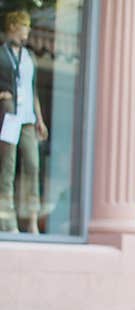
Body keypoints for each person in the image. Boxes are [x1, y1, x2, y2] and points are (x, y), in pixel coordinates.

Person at [0, 10, 47, 234]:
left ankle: (31, 217)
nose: (26, 31)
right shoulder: (1, 54)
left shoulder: (29, 57)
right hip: (10, 116)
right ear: (12, 27)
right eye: (23, 27)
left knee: (32, 165)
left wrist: (40, 118)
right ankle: (7, 220)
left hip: (27, 118)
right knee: (8, 168)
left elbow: (33, 90)